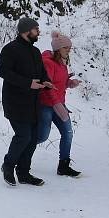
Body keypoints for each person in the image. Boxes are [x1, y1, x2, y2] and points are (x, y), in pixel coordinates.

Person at [0, 17, 53, 187]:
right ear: (25, 31)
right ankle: (8, 166)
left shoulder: (35, 52)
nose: (38, 32)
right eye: (36, 29)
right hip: (15, 102)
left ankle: (23, 173)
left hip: (33, 102)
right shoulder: (10, 49)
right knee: (24, 136)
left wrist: (46, 81)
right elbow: (3, 71)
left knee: (33, 137)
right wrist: (28, 83)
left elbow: (41, 72)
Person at [37, 30, 82, 177]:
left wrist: (70, 83)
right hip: (46, 105)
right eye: (65, 48)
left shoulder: (62, 64)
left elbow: (59, 83)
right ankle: (21, 152)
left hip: (59, 104)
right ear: (57, 49)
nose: (68, 51)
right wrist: (57, 104)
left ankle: (63, 166)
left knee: (68, 133)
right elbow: (47, 86)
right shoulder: (48, 63)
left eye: (69, 48)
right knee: (42, 136)